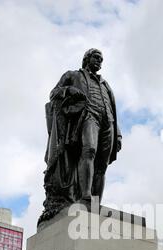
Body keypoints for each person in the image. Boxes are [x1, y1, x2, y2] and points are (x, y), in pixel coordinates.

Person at [39, 48, 122, 225]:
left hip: (107, 121)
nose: (99, 61)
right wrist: (69, 90)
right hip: (87, 115)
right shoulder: (73, 75)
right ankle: (85, 196)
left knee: (102, 163)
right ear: (86, 59)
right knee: (89, 150)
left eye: (101, 59)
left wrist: (119, 134)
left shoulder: (105, 85)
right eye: (96, 57)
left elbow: (114, 110)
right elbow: (53, 93)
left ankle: (96, 203)